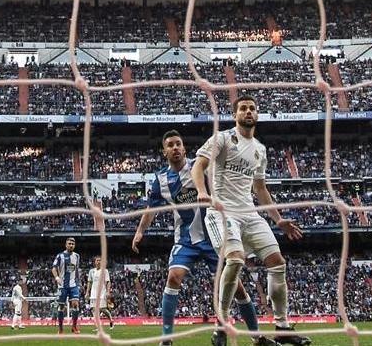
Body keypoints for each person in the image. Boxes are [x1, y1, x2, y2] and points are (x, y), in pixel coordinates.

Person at [133, 130, 272, 346]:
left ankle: (257, 336)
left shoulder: (200, 167)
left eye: (178, 143)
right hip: (186, 239)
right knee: (173, 277)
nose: (175, 148)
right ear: (164, 151)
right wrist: (140, 231)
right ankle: (166, 339)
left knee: (237, 287)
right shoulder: (160, 179)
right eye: (170, 145)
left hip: (214, 236)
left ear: (184, 147)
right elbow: (150, 209)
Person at [192, 97, 311, 346]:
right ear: (235, 114)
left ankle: (282, 327)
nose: (248, 112)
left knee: (278, 263)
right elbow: (198, 166)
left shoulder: (260, 149)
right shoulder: (222, 139)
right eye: (243, 108)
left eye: (252, 108)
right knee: (235, 260)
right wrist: (202, 191)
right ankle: (221, 326)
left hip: (250, 214)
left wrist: (278, 220)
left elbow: (260, 188)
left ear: (257, 114)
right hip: (222, 212)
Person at [52, 237, 82, 334]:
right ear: (66, 245)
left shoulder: (77, 256)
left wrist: (79, 281)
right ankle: (60, 328)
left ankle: (74, 327)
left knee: (75, 305)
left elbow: (76, 270)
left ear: (74, 245)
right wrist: (57, 277)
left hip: (73, 284)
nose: (71, 245)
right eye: (69, 243)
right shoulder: (60, 256)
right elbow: (54, 268)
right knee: (61, 307)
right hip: (63, 285)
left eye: (72, 244)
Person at [86, 256, 113, 331]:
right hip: (93, 294)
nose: (98, 262)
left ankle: (111, 319)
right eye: (97, 260)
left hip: (102, 293)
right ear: (94, 262)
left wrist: (108, 291)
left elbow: (108, 282)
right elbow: (89, 282)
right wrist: (87, 292)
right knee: (94, 310)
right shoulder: (91, 271)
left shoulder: (105, 271)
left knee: (102, 309)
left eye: (100, 260)